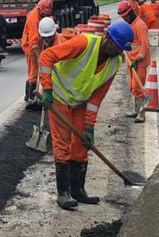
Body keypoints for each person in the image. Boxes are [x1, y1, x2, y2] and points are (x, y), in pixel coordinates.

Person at [38, 21, 133, 209]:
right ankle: (63, 193)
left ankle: (78, 190)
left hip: (80, 102)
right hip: (58, 97)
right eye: (117, 47)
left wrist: (89, 127)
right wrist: (47, 89)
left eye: (121, 49)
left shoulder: (115, 63)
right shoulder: (84, 42)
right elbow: (46, 56)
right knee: (62, 142)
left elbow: (96, 98)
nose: (118, 52)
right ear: (107, 38)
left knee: (82, 143)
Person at [117, 0, 149, 123]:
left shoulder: (140, 25)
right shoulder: (130, 25)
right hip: (131, 61)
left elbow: (144, 46)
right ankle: (136, 110)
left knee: (138, 87)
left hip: (139, 62)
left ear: (130, 13)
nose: (124, 19)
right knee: (133, 87)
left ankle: (141, 114)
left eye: (125, 16)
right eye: (122, 17)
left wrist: (137, 59)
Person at [21, 0, 53, 105]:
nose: (45, 16)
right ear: (39, 9)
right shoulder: (33, 19)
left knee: (34, 71)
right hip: (30, 47)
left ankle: (30, 96)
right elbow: (33, 42)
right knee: (33, 72)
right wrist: (40, 57)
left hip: (37, 44)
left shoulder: (42, 14)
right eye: (44, 14)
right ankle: (30, 97)